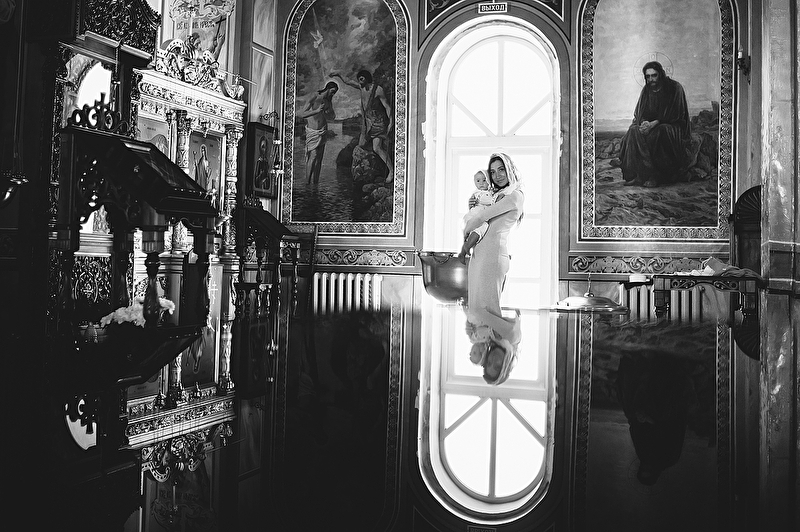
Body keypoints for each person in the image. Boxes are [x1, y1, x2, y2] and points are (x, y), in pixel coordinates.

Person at [463, 152, 525, 385]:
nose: (497, 175)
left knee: (479, 306)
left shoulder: (515, 195)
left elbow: (479, 220)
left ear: (510, 170)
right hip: (481, 256)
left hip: (492, 258)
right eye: (493, 171)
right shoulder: (509, 339)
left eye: (501, 170)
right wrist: (473, 207)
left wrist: (469, 223)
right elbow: (480, 218)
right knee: (477, 304)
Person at [615, 61, 691, 188]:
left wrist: (654, 123)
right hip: (651, 125)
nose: (651, 79)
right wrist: (644, 123)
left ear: (660, 74)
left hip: (673, 127)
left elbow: (676, 114)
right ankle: (636, 175)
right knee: (633, 130)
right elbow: (640, 112)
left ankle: (655, 176)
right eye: (648, 76)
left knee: (660, 131)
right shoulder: (646, 90)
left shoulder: (674, 88)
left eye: (654, 75)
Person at [330, 70, 394, 180]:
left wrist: (391, 121)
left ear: (367, 78)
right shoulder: (361, 87)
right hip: (367, 123)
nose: (360, 80)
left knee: (377, 148)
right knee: (361, 145)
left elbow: (387, 106)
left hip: (378, 122)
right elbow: (347, 81)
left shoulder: (377, 90)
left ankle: (391, 171)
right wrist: (338, 74)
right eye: (359, 78)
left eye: (362, 78)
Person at [458, 169, 502, 264]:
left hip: (475, 218)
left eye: (484, 180)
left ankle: (463, 251)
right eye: (478, 181)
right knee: (482, 227)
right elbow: (486, 200)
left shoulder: (488, 192)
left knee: (476, 232)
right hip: (474, 217)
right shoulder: (479, 193)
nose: (481, 183)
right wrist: (496, 198)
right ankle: (467, 246)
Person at [299, 81, 338, 184]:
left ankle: (315, 183)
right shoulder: (315, 96)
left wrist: (329, 113)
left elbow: (332, 117)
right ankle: (307, 183)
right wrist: (316, 111)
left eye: (334, 93)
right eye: (332, 91)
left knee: (319, 158)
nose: (333, 94)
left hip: (323, 131)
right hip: (313, 131)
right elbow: (303, 114)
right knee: (313, 156)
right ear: (328, 88)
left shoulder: (328, 101)